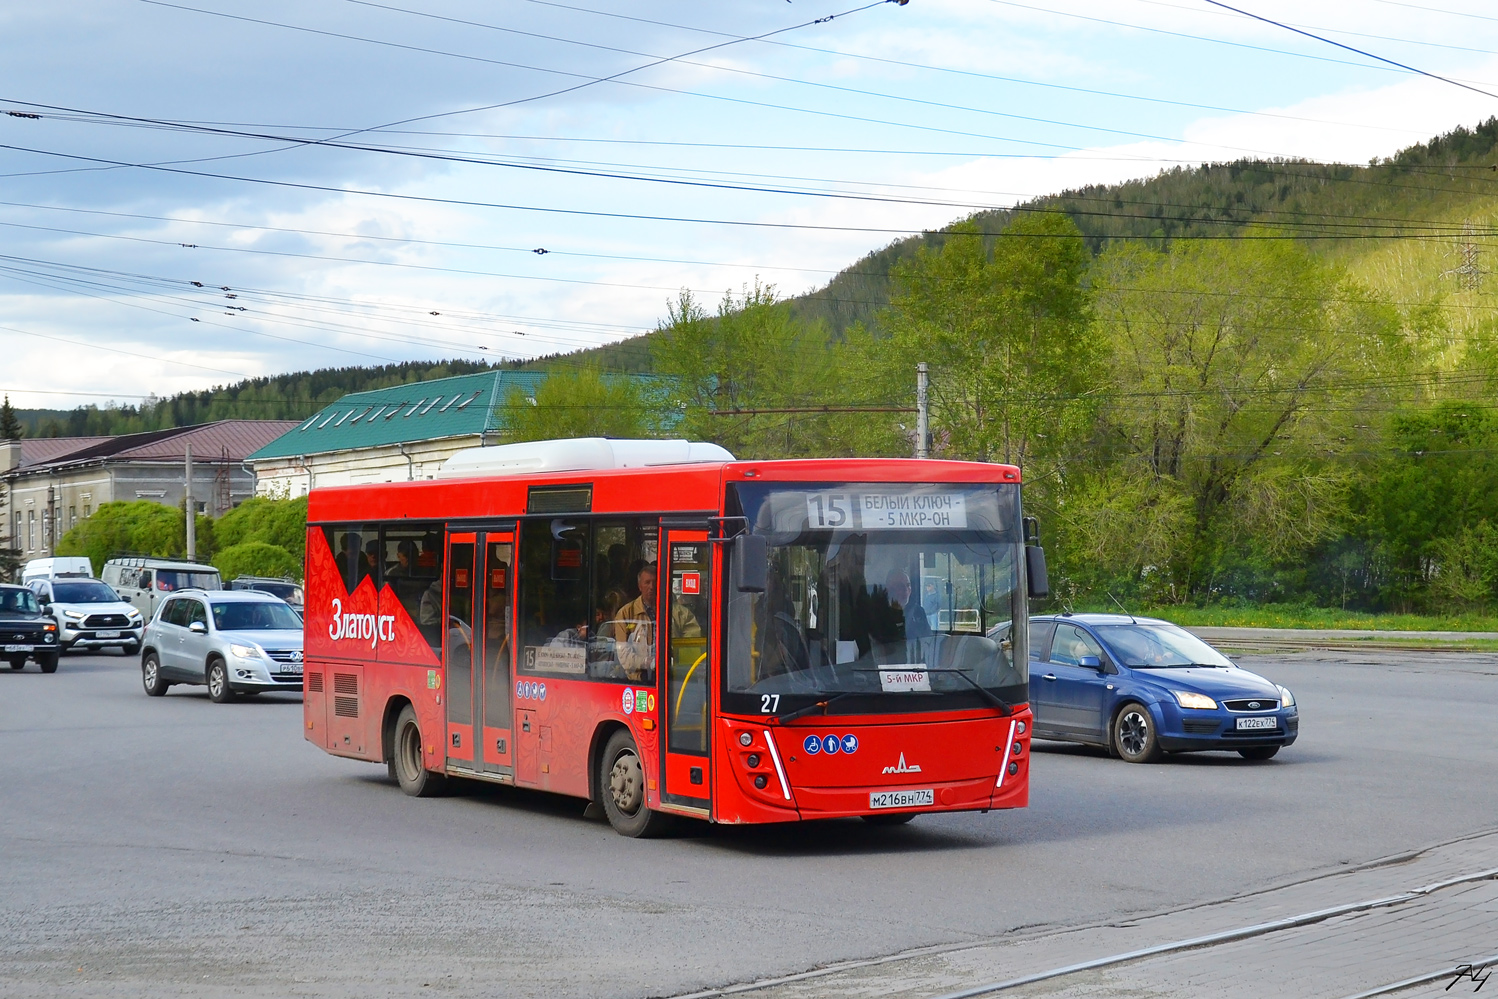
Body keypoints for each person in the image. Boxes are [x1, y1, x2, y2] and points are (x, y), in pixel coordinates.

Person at [606, 561, 658, 681]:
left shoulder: (678, 612)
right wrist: (647, 662)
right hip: (639, 679)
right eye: (647, 583)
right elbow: (623, 655)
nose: (652, 587)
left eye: (655, 582)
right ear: (640, 586)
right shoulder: (625, 614)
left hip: (672, 679)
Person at [884, 569, 933, 641]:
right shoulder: (879, 614)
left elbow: (929, 640)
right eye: (900, 586)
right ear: (889, 589)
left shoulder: (918, 611)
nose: (905, 589)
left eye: (908, 585)